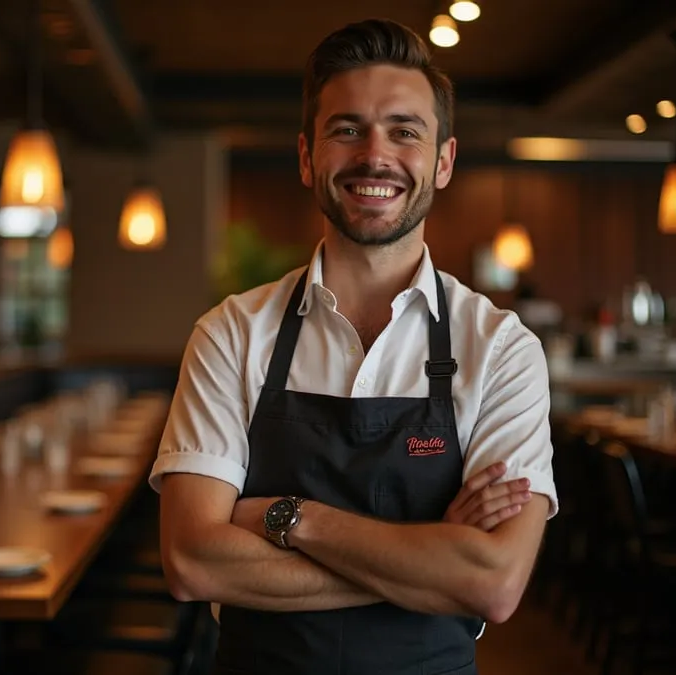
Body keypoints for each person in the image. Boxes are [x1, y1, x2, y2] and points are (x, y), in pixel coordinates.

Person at [149, 19, 557, 675]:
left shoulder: (502, 349)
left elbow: (495, 582)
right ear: (308, 156)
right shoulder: (230, 333)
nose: (375, 154)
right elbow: (193, 560)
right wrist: (432, 560)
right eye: (347, 129)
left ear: (443, 161)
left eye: (404, 130)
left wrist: (291, 517)